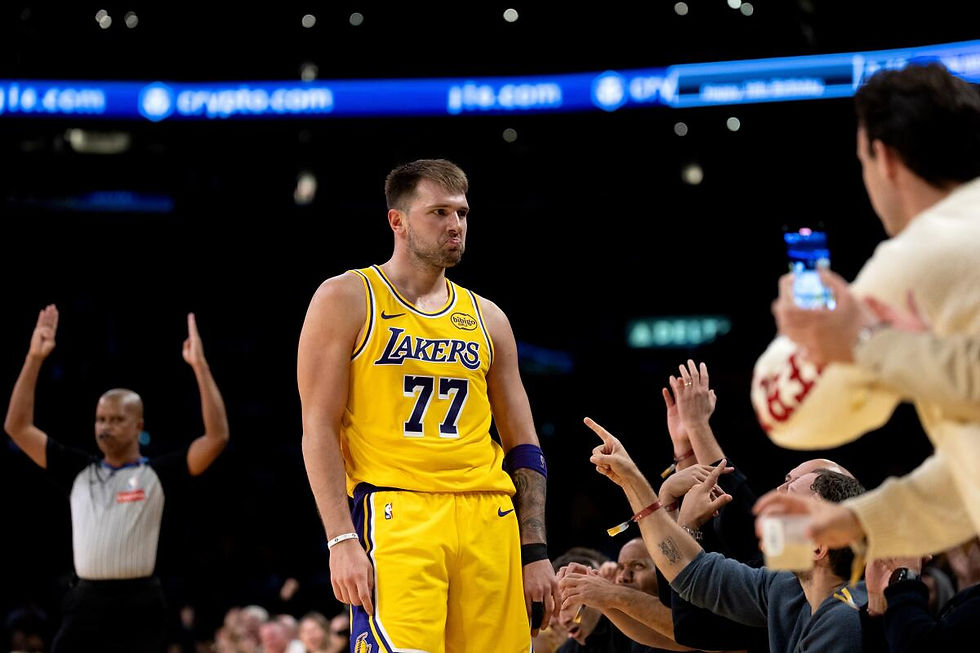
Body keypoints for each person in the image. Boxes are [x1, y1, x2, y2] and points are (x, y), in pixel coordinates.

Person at [297, 159, 559, 652]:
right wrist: (339, 540)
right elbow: (318, 428)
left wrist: (535, 551)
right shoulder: (347, 298)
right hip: (399, 514)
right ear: (397, 221)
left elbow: (524, 445)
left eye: (461, 213)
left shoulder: (489, 318)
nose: (455, 225)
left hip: (491, 519)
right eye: (438, 212)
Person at [750, 63, 980, 558]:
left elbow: (780, 410)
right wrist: (857, 520)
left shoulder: (923, 251)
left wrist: (863, 342)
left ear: (885, 158)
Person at [3, 305, 230, 653]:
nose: (105, 426)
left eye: (115, 420)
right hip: (86, 600)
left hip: (141, 603)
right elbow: (16, 427)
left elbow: (216, 438)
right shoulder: (78, 470)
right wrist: (34, 357)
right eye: (100, 419)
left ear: (138, 426)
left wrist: (200, 367)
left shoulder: (156, 474)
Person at [584, 417, 868, 652]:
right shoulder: (785, 586)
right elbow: (690, 571)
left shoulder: (844, 621)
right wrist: (632, 480)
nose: (771, 500)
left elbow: (689, 628)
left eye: (788, 500)